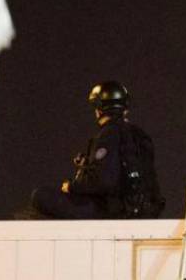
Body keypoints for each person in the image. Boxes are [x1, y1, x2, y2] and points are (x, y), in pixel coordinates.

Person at [30, 81, 164, 219]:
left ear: (99, 108)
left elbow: (104, 180)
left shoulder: (108, 134)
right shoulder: (140, 135)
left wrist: (72, 186)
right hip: (144, 210)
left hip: (112, 210)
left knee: (41, 195)